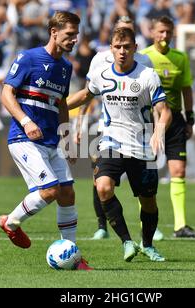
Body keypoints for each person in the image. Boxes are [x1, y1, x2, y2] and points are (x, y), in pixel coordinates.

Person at [0, 11, 92, 271]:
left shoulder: (65, 67)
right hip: (23, 137)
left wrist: (67, 137)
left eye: (76, 34)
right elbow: (6, 94)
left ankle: (73, 254)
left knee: (68, 193)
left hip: (51, 140)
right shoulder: (28, 58)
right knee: (50, 190)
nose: (74, 39)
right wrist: (26, 122)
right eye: (69, 34)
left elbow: (61, 104)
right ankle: (11, 222)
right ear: (54, 32)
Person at [69, 27, 172, 262]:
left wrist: (158, 131)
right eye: (118, 47)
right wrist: (58, 105)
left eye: (127, 47)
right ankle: (127, 241)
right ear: (111, 49)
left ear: (135, 48)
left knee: (148, 201)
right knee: (103, 187)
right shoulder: (101, 74)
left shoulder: (147, 76)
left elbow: (164, 111)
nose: (122, 51)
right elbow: (85, 95)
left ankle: (147, 244)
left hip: (142, 145)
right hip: (111, 141)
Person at [140, 16, 195, 238]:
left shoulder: (180, 58)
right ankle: (146, 225)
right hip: (148, 118)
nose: (164, 36)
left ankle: (180, 225)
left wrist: (190, 118)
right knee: (147, 173)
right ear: (153, 33)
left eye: (168, 32)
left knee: (178, 170)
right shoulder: (144, 57)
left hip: (174, 119)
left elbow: (186, 89)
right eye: (161, 32)